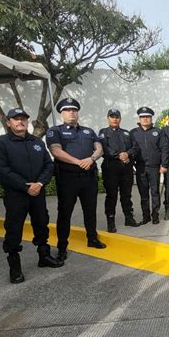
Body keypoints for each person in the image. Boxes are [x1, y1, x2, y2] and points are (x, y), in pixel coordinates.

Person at [0, 108, 63, 283]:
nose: (20, 122)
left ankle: (44, 256)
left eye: (23, 119)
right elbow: (1, 171)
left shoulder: (37, 142)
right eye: (16, 119)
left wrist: (39, 183)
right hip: (16, 195)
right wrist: (26, 186)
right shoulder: (0, 143)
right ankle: (15, 267)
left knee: (41, 223)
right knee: (14, 229)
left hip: (37, 192)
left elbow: (49, 165)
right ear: (9, 122)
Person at [46, 98, 106, 263]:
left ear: (77, 112)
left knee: (90, 211)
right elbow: (56, 151)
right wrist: (78, 162)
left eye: (74, 109)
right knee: (64, 214)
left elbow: (99, 147)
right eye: (67, 110)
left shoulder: (87, 131)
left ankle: (92, 239)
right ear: (61, 113)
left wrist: (92, 158)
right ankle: (62, 246)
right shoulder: (55, 131)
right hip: (67, 179)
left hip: (89, 178)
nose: (71, 112)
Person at [98, 109, 140, 233]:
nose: (115, 119)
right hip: (111, 168)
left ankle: (129, 218)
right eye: (112, 117)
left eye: (117, 117)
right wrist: (118, 155)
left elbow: (135, 147)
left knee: (126, 195)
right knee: (112, 196)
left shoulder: (126, 133)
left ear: (120, 119)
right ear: (108, 118)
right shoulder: (103, 132)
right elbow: (103, 148)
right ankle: (110, 221)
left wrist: (127, 154)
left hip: (126, 169)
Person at [130, 106, 169, 225]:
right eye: (143, 117)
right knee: (143, 193)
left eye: (147, 117)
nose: (145, 119)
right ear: (139, 118)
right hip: (140, 167)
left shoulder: (158, 131)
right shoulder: (134, 133)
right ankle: (146, 216)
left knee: (155, 192)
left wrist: (164, 164)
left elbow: (165, 149)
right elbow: (130, 149)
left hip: (154, 167)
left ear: (151, 118)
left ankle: (155, 215)